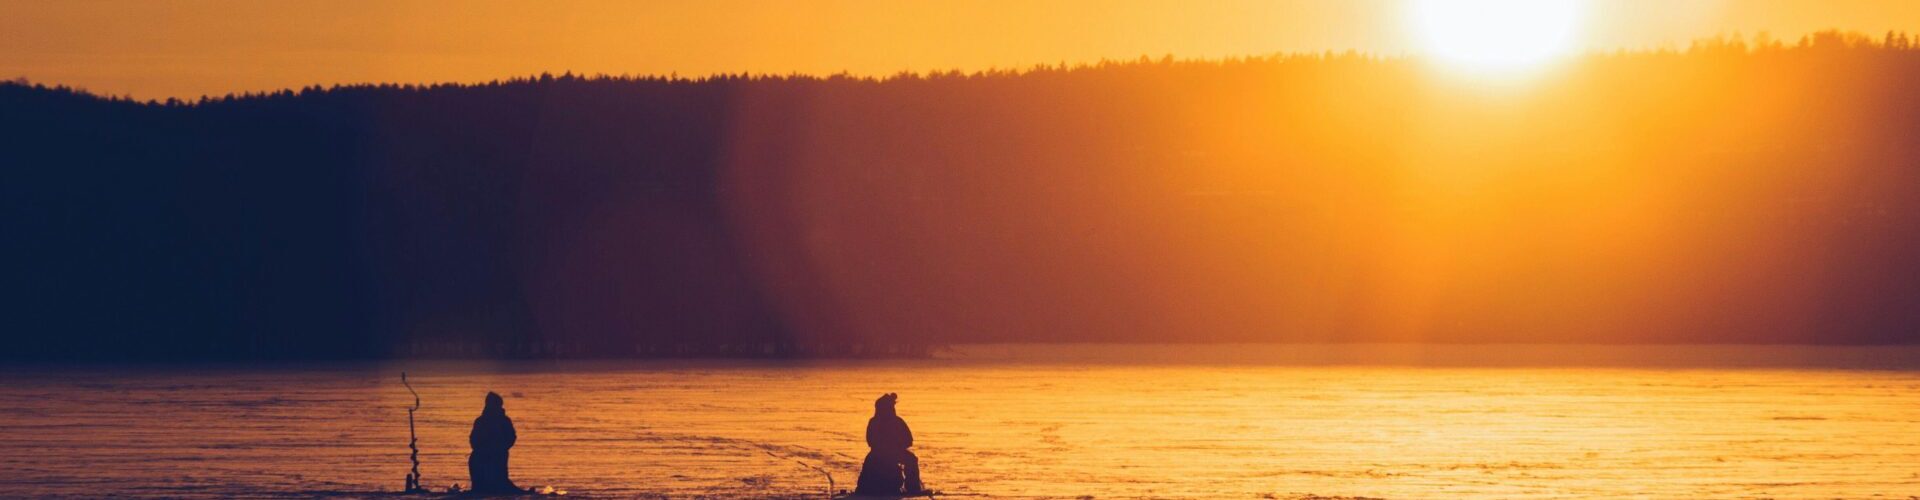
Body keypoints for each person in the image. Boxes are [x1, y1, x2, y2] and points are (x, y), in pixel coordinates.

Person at [854, 393, 924, 495]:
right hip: (883, 453)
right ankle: (913, 489)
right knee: (911, 460)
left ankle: (912, 488)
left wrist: (894, 447)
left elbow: (870, 441)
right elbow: (909, 440)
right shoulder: (894, 421)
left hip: (883, 453)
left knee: (911, 460)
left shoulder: (877, 421)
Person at [468, 392, 521, 494]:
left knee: (497, 483)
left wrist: (500, 449)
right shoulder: (482, 421)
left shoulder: (500, 420)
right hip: (482, 456)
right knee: (482, 487)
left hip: (495, 454)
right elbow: (474, 439)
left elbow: (511, 437)